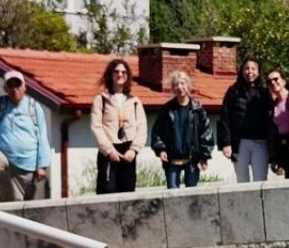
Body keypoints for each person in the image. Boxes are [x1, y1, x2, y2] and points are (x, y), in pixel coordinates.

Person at [0, 70, 50, 204]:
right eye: (11, 86)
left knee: (22, 208)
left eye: (18, 85)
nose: (15, 89)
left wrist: (42, 166)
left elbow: (42, 137)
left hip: (28, 166)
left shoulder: (34, 107)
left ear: (24, 87)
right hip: (5, 158)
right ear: (5, 89)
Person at [90, 59, 146, 194]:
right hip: (109, 152)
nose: (120, 74)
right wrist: (109, 150)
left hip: (128, 152)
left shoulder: (134, 101)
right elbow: (96, 127)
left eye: (123, 72)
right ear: (111, 75)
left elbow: (142, 128)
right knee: (107, 192)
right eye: (116, 71)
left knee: (127, 194)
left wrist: (134, 150)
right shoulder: (101, 100)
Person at [150, 70, 214, 189]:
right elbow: (157, 132)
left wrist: (204, 157)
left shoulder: (198, 110)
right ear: (172, 88)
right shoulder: (166, 110)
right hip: (172, 161)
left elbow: (206, 134)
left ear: (188, 85)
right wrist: (161, 150)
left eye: (183, 83)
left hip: (192, 161)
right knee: (172, 196)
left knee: (191, 198)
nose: (180, 87)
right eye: (176, 84)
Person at [218, 59, 272, 182]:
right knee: (242, 179)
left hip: (260, 142)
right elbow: (224, 118)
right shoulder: (233, 91)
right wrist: (226, 143)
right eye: (246, 68)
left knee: (261, 179)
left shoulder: (264, 92)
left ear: (258, 72)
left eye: (253, 69)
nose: (250, 72)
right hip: (240, 143)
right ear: (242, 71)